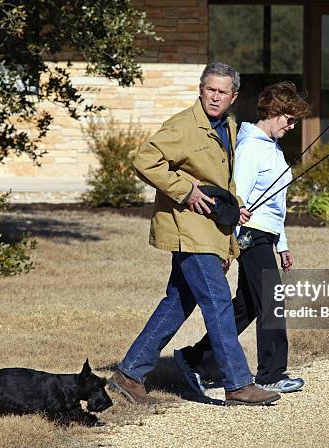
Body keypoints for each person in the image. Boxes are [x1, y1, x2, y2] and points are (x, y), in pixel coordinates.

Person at [108, 63, 280, 406]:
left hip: (212, 228)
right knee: (217, 303)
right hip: (188, 229)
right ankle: (238, 383)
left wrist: (235, 209)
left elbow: (222, 181)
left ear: (233, 97)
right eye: (209, 89)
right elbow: (146, 160)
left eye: (222, 92)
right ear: (201, 89)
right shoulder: (184, 125)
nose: (215, 97)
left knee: (178, 302)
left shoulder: (227, 127)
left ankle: (129, 374)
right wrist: (186, 191)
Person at [174, 81, 311, 394]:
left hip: (266, 234)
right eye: (289, 119)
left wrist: (283, 244)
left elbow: (274, 201)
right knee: (271, 302)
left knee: (247, 305)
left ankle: (196, 358)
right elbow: (237, 198)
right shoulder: (251, 147)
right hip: (250, 235)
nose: (292, 126)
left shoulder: (270, 146)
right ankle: (271, 374)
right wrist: (230, 242)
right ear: (274, 112)